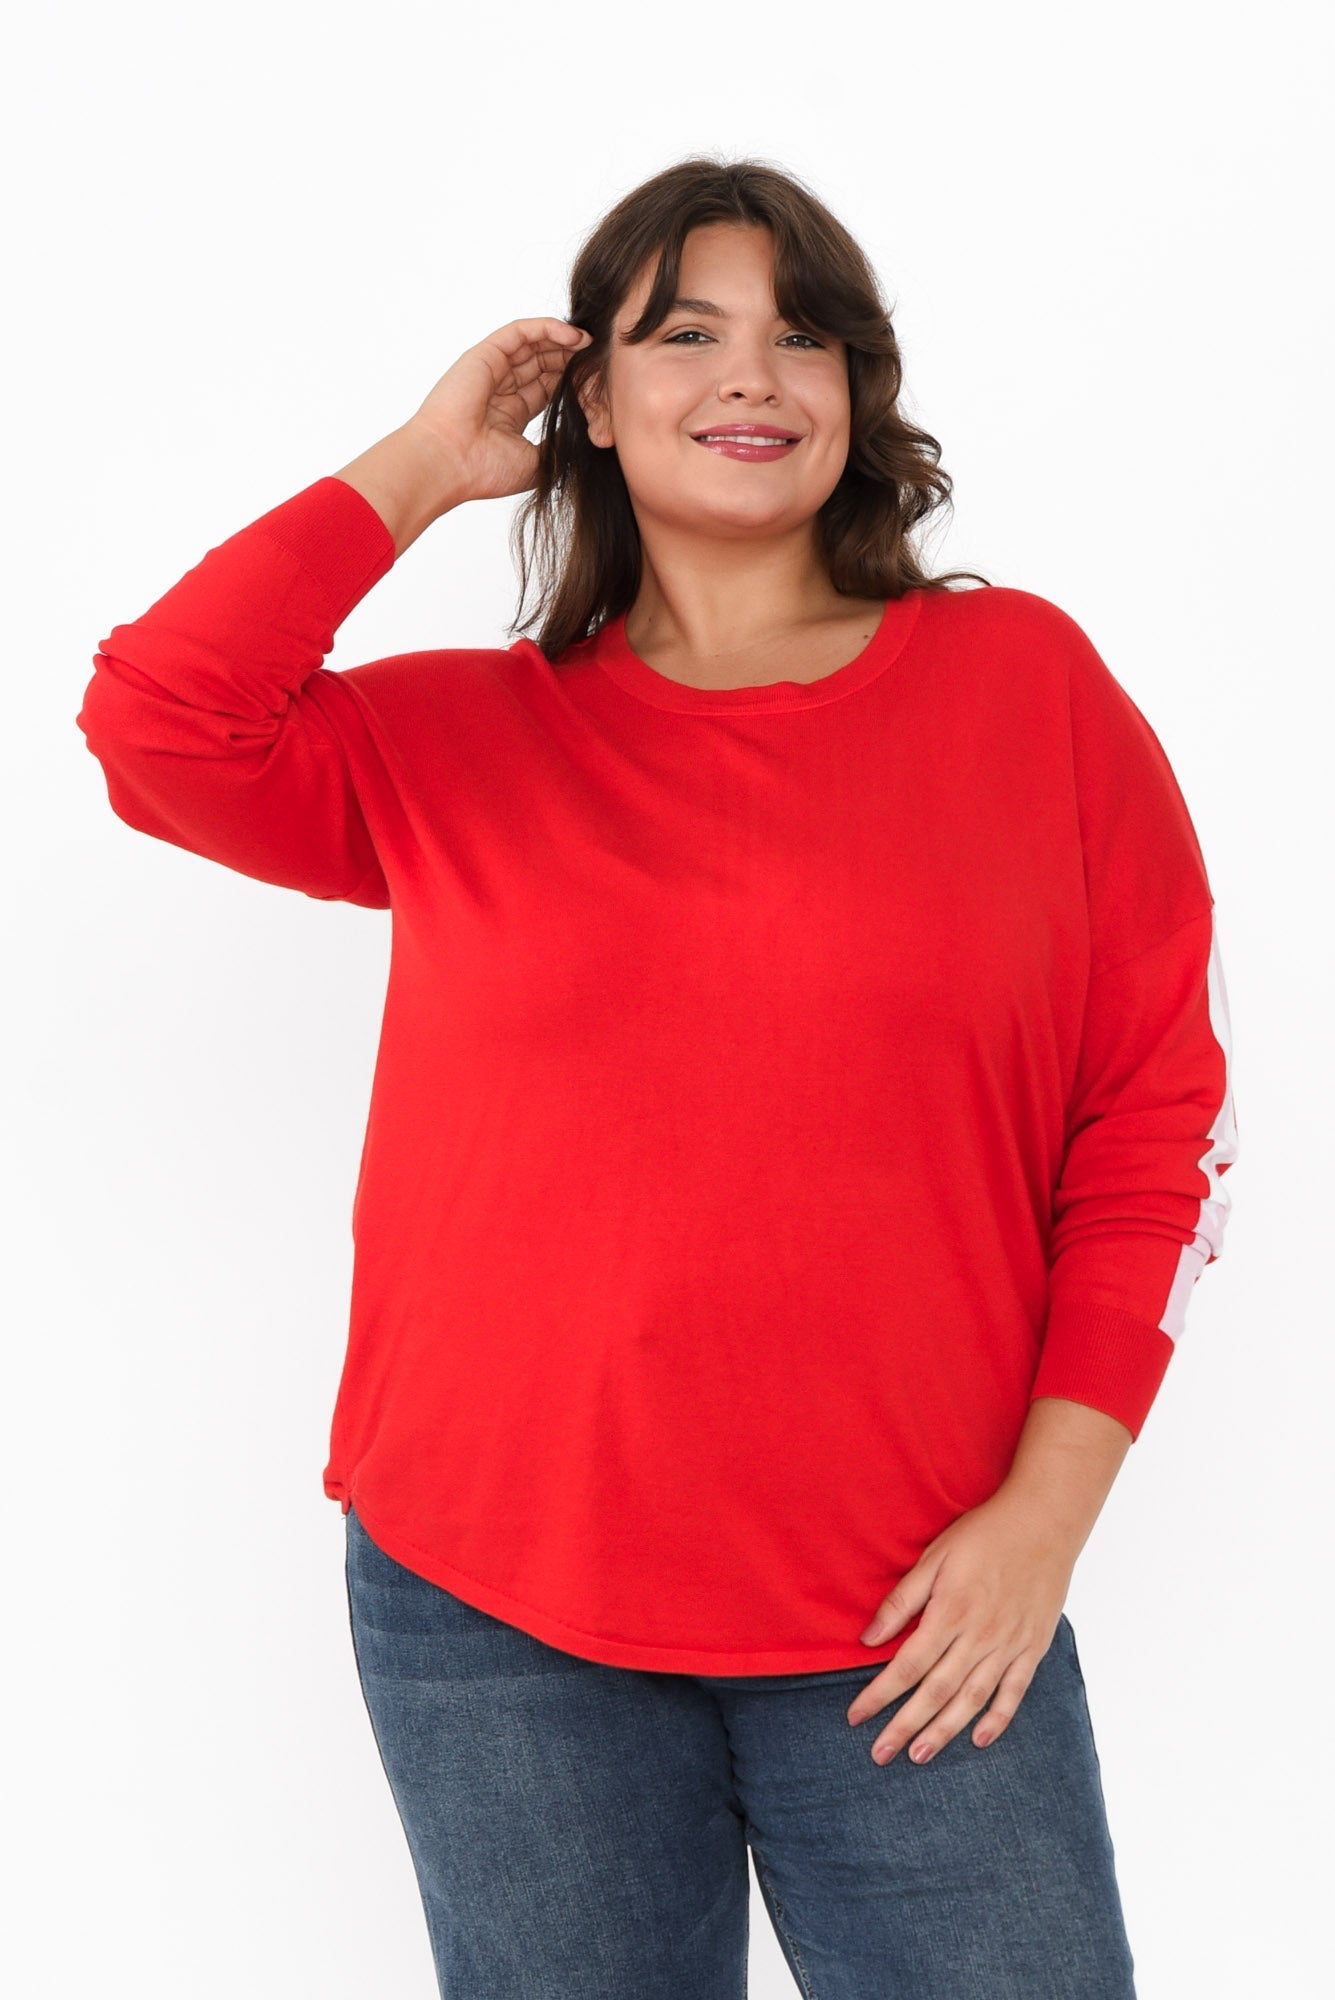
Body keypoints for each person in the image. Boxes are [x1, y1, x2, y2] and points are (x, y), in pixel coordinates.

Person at [75, 157, 1238, 1998]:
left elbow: (1157, 1121)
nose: (751, 373)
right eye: (684, 334)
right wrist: (423, 462)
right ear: (592, 403)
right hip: (498, 1609)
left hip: (920, 1609)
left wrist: (1048, 1515)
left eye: (801, 336)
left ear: (856, 393)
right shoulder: (462, 740)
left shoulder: (1029, 687)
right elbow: (159, 724)